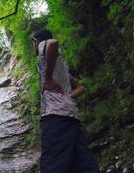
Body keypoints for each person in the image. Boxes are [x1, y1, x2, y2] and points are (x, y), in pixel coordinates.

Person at [31, 28, 100, 173]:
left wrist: (48, 78)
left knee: (52, 163)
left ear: (36, 42)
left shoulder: (43, 47)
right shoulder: (61, 67)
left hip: (54, 117)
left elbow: (53, 43)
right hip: (70, 116)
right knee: (83, 162)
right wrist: (66, 97)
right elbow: (80, 87)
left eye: (33, 43)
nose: (34, 47)